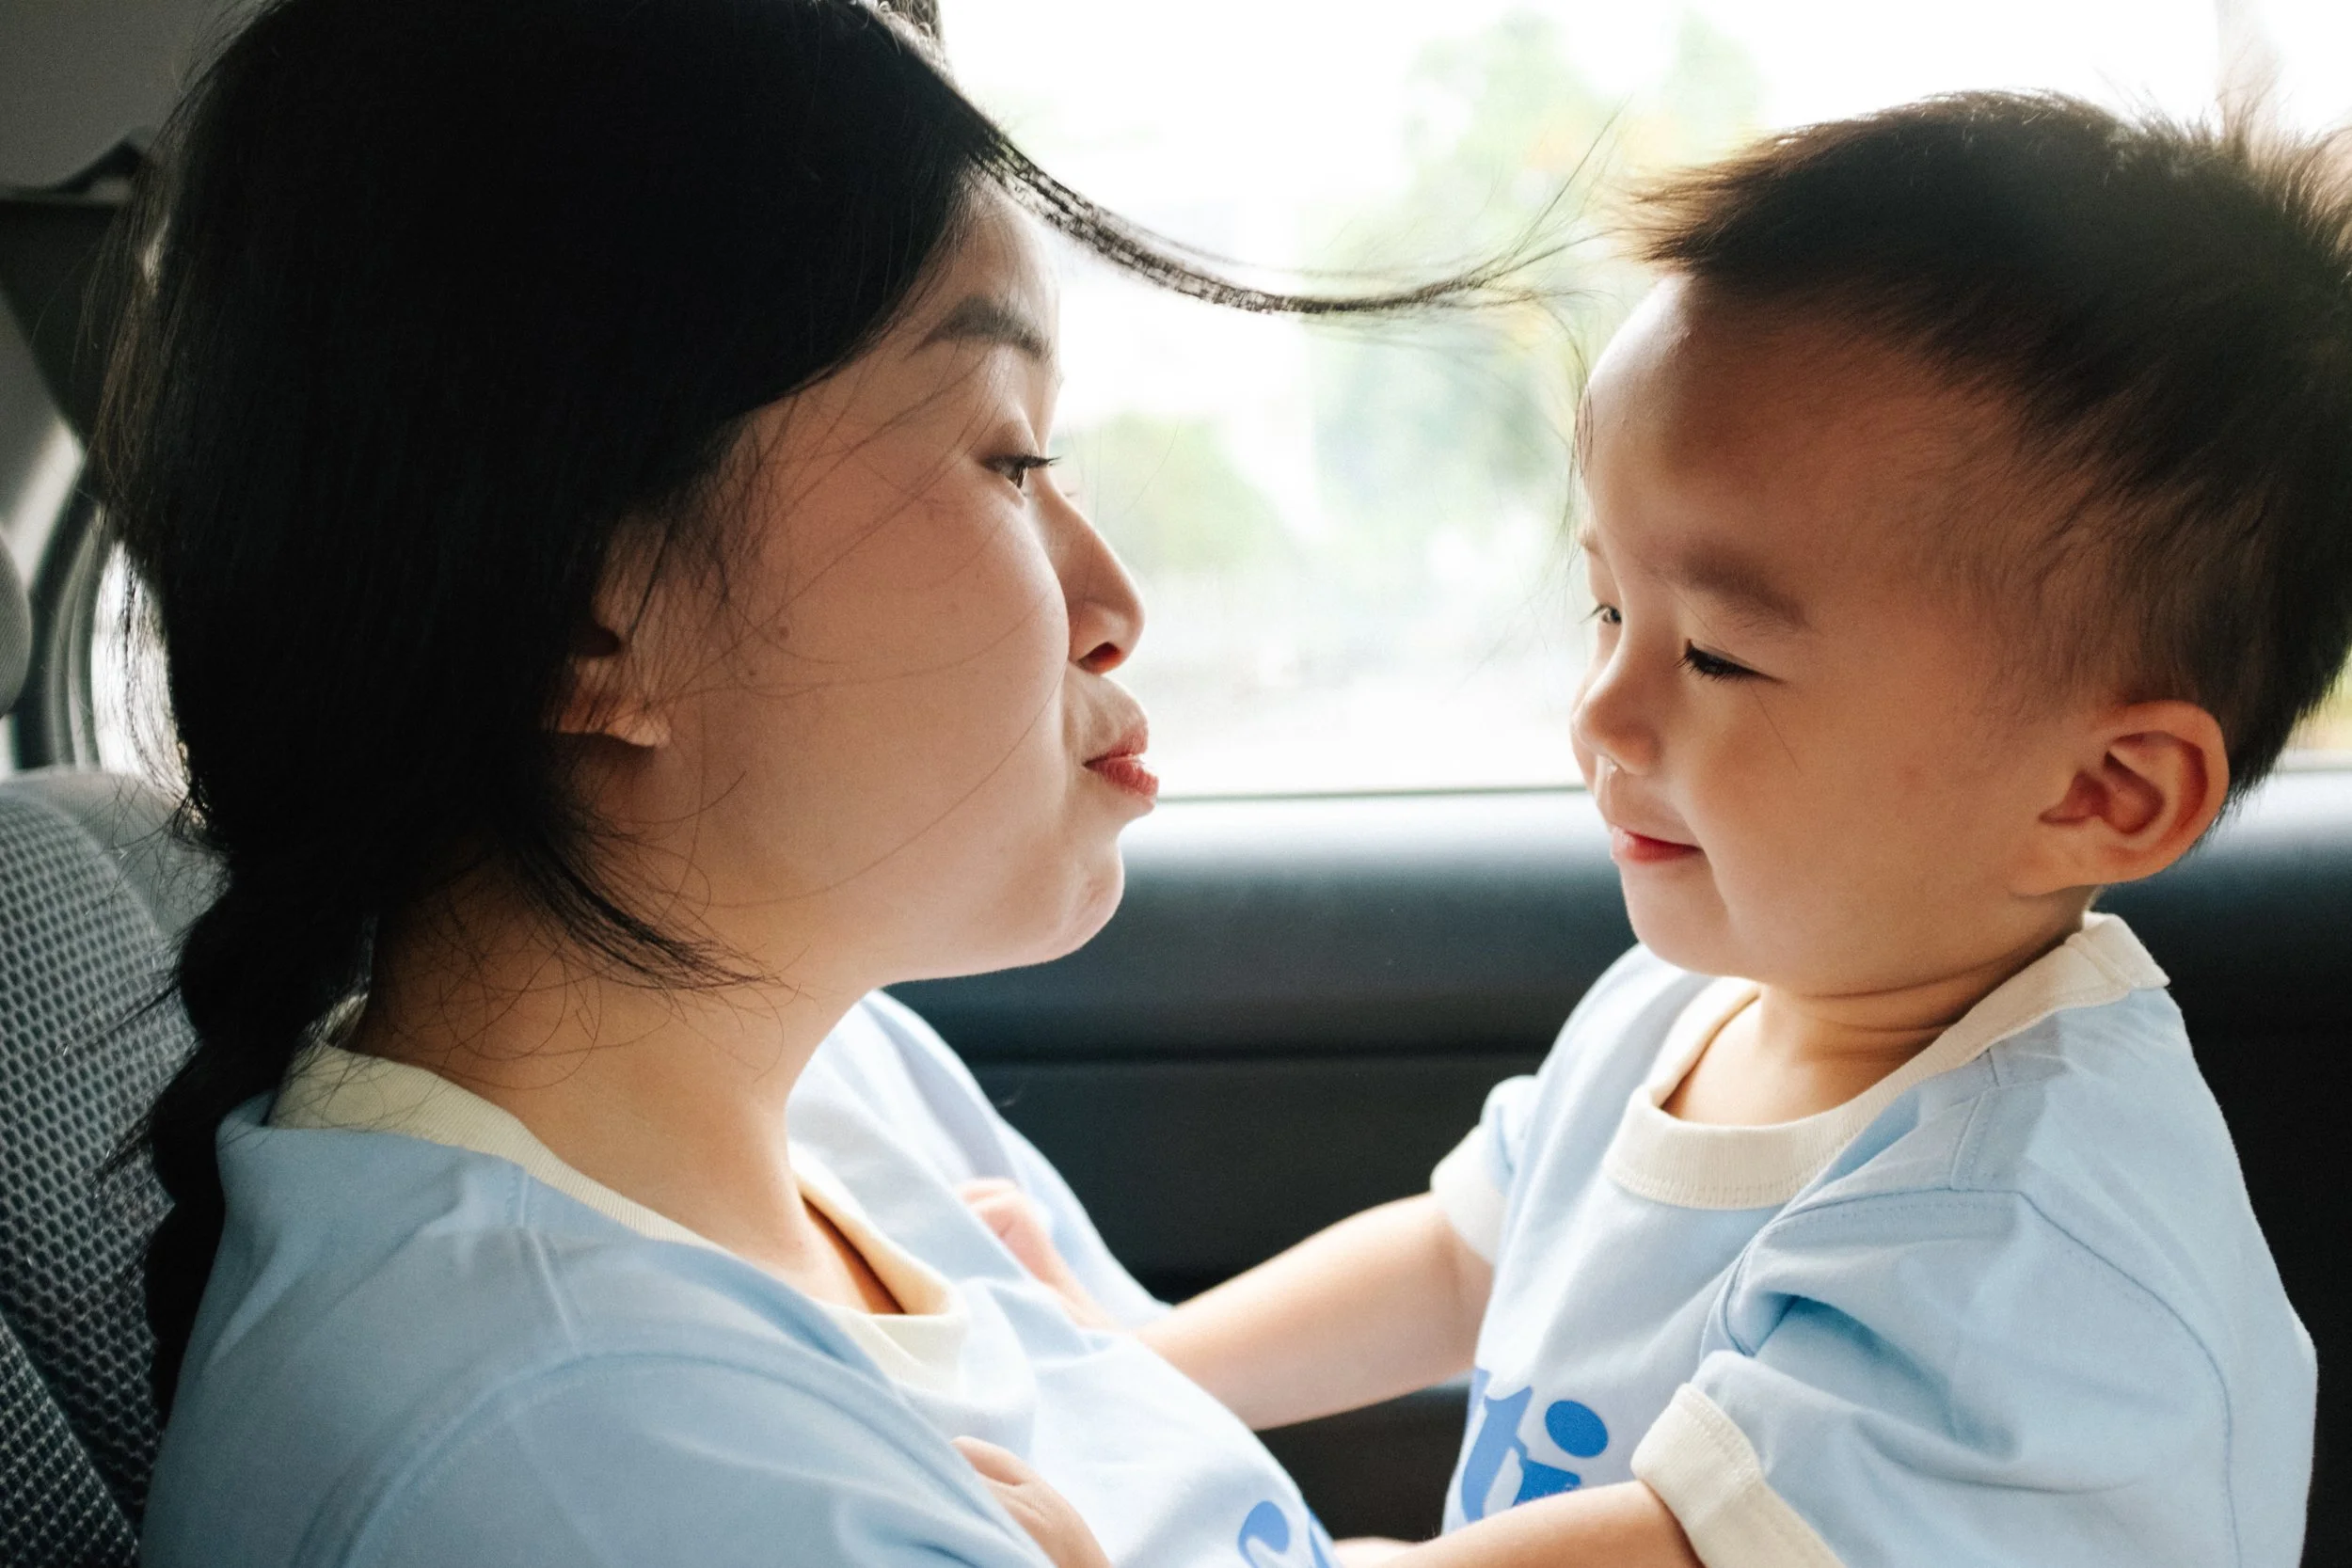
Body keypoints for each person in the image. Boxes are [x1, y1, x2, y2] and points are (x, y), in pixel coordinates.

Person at [101, 1, 1520, 1563]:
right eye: (1007, 460)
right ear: (592, 608)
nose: (1110, 595)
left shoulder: (834, 1079)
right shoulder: (611, 1476)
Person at [987, 95, 2343, 1568]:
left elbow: (1680, 1546)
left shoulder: (2024, 1242)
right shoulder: (1692, 1008)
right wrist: (1132, 1366)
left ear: (2102, 794)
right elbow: (1463, 1256)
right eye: (1609, 609)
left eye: (1716, 658)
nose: (1602, 715)